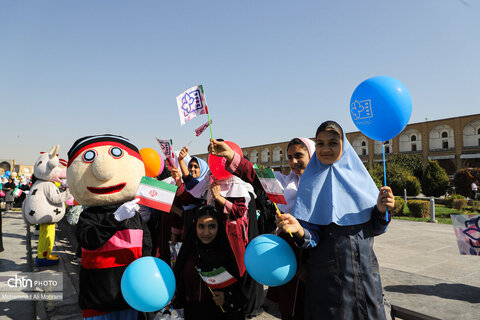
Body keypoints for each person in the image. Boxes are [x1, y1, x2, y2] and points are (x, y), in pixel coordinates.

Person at [275, 120, 395, 320]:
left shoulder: (360, 179)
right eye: (320, 143)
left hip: (365, 274)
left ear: (343, 145)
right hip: (328, 282)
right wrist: (299, 229)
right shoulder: (309, 183)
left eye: (332, 142)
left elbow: (375, 228)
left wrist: (382, 210)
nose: (325, 148)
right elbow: (312, 238)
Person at [209, 137, 316, 320]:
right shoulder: (285, 183)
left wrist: (310, 264)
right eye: (289, 157)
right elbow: (255, 174)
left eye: (299, 155)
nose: (293, 162)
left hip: (315, 257)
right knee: (290, 308)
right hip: (288, 256)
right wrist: (230, 155)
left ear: (312, 156)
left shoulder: (323, 185)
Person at [173, 205, 245, 320]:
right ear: (194, 227)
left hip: (217, 314)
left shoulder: (224, 256)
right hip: (190, 313)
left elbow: (238, 294)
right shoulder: (187, 253)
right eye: (201, 226)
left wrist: (225, 298)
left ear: (219, 227)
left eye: (212, 226)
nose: (206, 232)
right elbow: (177, 282)